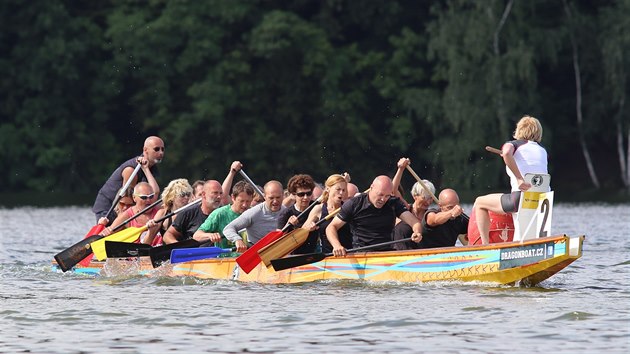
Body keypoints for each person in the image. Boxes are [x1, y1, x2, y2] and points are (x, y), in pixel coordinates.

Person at [473, 115, 548, 245]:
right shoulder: (542, 150)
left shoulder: (514, 144)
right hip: (543, 200)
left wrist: (519, 178)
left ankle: (485, 247)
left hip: (520, 199)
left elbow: (507, 152)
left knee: (479, 203)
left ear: (519, 131)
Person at [326, 175, 423, 256]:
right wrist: (337, 246)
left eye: (387, 196)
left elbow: (415, 222)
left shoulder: (393, 203)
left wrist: (417, 232)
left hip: (387, 253)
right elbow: (331, 227)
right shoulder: (354, 204)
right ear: (371, 188)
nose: (383, 199)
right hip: (362, 254)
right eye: (380, 195)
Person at [92, 136, 163, 223]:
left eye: (162, 149)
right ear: (145, 150)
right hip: (109, 208)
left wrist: (146, 169)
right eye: (156, 149)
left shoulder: (151, 168)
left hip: (126, 207)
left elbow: (154, 195)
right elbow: (127, 199)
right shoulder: (131, 170)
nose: (161, 153)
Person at [192, 181, 254, 253]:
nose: (245, 205)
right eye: (241, 201)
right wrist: (210, 235)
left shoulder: (254, 213)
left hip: (249, 261)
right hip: (225, 260)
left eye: (248, 201)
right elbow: (196, 236)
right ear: (233, 197)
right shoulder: (219, 214)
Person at [223, 180, 285, 246]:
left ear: (283, 195)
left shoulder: (287, 211)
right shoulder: (254, 212)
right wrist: (237, 240)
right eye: (271, 198)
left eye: (278, 197)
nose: (275, 201)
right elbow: (228, 228)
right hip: (257, 251)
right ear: (264, 196)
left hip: (281, 250)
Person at [303, 174, 353, 253]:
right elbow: (302, 231)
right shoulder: (318, 209)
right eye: (338, 189)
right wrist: (309, 228)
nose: (341, 193)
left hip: (348, 255)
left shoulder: (347, 208)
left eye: (344, 190)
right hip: (327, 257)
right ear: (328, 189)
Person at [144, 178, 193, 246]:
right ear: (172, 197)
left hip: (189, 252)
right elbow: (146, 244)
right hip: (168, 254)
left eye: (188, 194)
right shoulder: (162, 214)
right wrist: (151, 231)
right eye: (182, 194)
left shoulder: (193, 212)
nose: (186, 197)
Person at [276, 174, 318, 254]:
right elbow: (278, 240)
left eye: (308, 193)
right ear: (293, 195)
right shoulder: (285, 214)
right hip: (293, 256)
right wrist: (288, 225)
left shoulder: (317, 207)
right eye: (301, 194)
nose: (305, 197)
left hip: (314, 254)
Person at [391, 179, 436, 250]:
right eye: (424, 197)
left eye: (431, 198)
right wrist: (401, 169)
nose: (428, 202)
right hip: (399, 252)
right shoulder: (405, 209)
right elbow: (393, 190)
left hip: (420, 255)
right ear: (415, 196)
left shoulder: (430, 215)